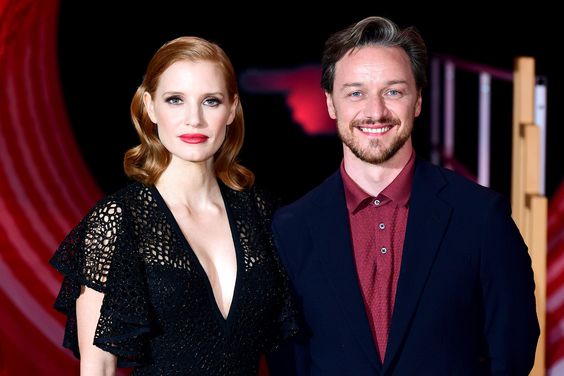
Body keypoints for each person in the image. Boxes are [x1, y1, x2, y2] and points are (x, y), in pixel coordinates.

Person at [271, 16, 539, 375]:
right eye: (355, 93)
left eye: (393, 91)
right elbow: (290, 361)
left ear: (418, 101)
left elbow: (512, 351)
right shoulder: (291, 228)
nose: (376, 111)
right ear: (331, 104)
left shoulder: (481, 216)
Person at [50, 36, 297, 375]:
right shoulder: (118, 221)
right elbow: (99, 368)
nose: (193, 119)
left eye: (210, 101)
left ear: (231, 109)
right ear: (150, 106)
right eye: (175, 100)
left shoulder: (263, 214)